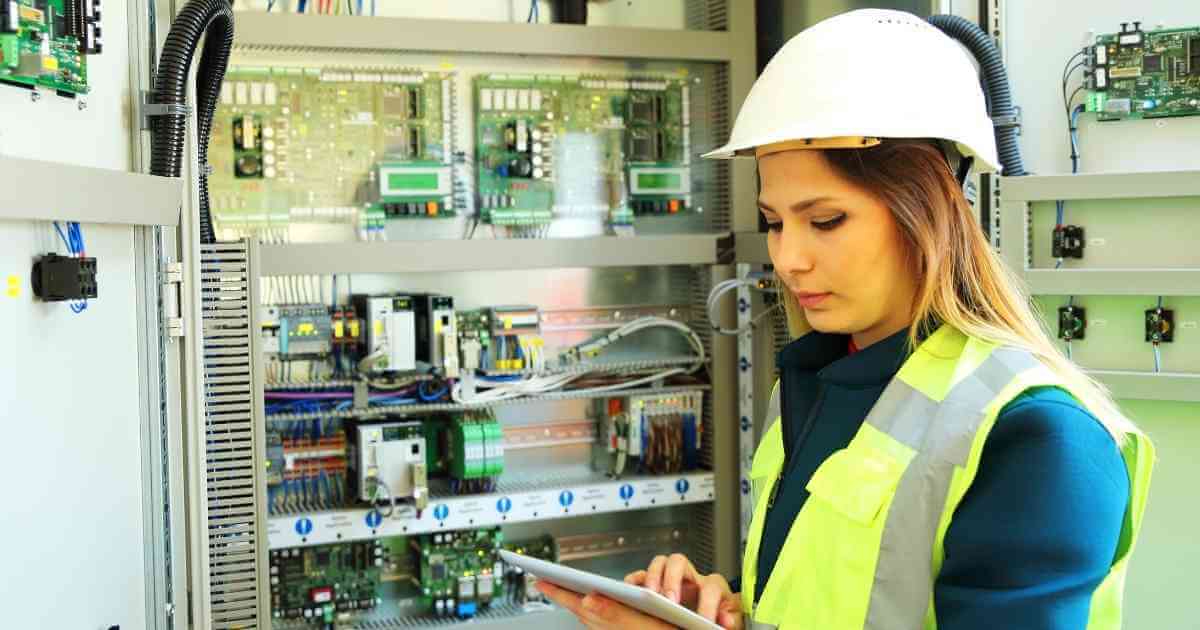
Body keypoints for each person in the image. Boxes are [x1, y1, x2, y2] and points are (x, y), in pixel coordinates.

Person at [537, 8, 1154, 630]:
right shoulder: (819, 383)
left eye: (826, 221)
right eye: (774, 222)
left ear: (928, 209)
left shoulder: (1038, 436)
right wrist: (719, 610)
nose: (788, 258)